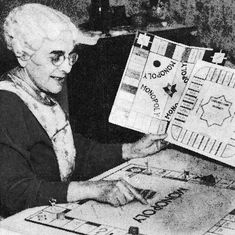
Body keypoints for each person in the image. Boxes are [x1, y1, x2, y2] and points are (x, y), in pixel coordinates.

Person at [0, 3, 167, 216]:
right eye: (56, 57)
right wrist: (90, 189)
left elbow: (71, 151)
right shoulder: (6, 104)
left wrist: (130, 150)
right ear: (22, 55)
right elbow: (14, 192)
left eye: (71, 56)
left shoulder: (39, 91)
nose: (67, 67)